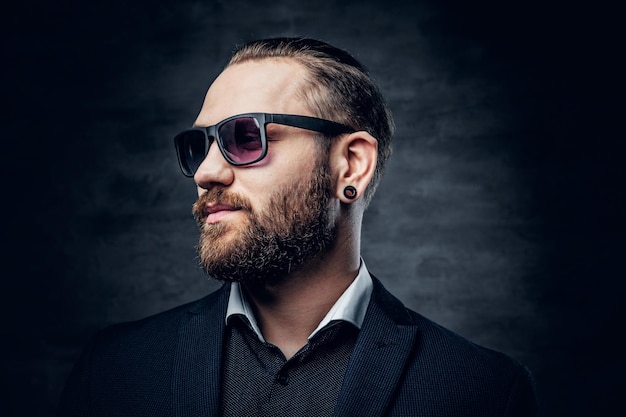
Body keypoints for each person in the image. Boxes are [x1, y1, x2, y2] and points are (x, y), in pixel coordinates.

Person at [58, 37, 538, 416]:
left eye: (244, 137)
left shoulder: (482, 392)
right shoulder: (114, 370)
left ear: (351, 165)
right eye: (198, 145)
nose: (206, 171)